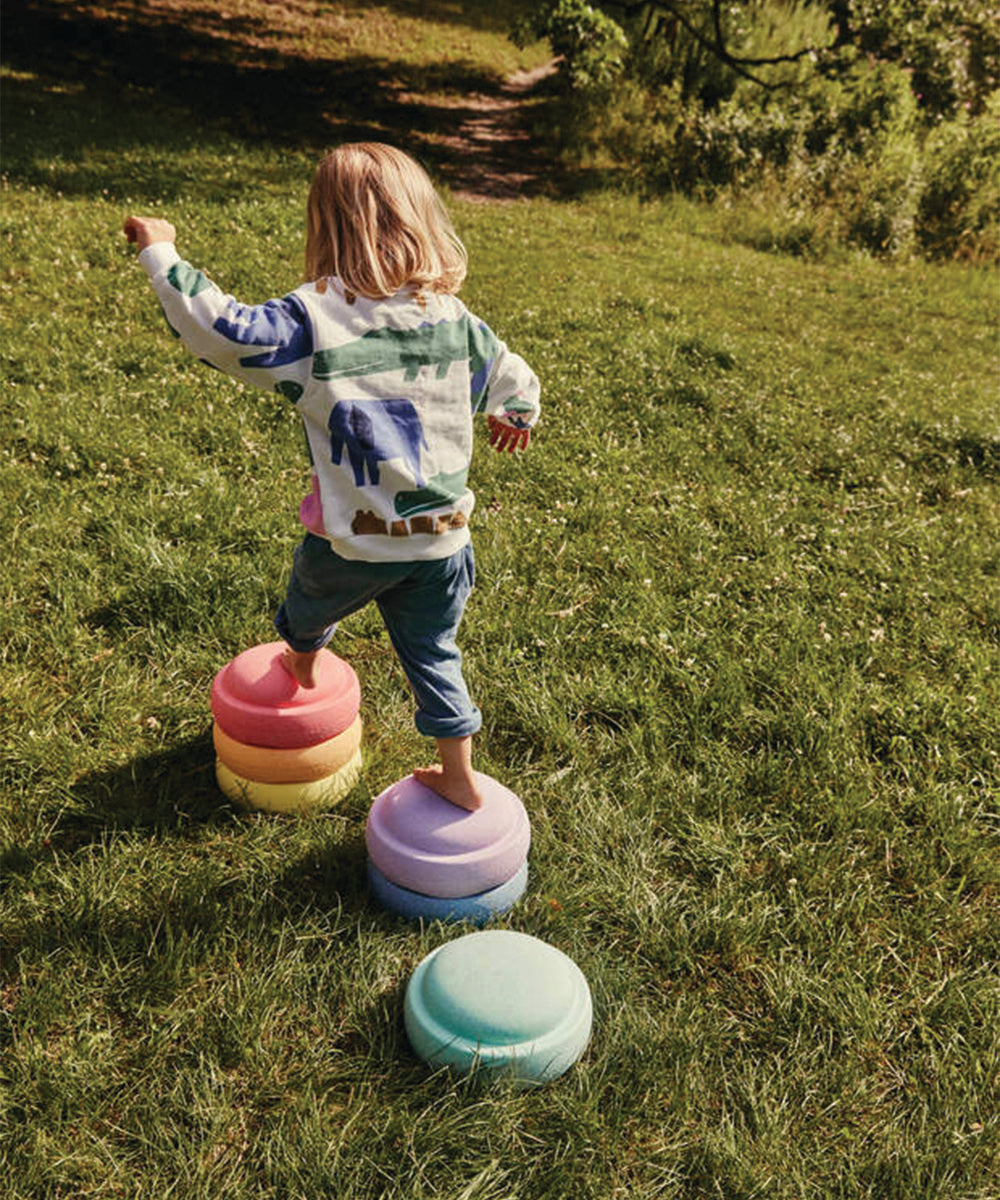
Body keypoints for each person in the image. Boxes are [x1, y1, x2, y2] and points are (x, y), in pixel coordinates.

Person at [124, 142, 539, 812]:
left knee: (308, 604)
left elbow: (219, 329)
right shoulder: (452, 318)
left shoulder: (314, 320)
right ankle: (458, 775)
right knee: (435, 655)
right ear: (421, 220)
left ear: (325, 225)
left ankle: (304, 663)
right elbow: (509, 371)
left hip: (352, 543)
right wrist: (515, 412)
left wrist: (161, 251)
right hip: (441, 543)